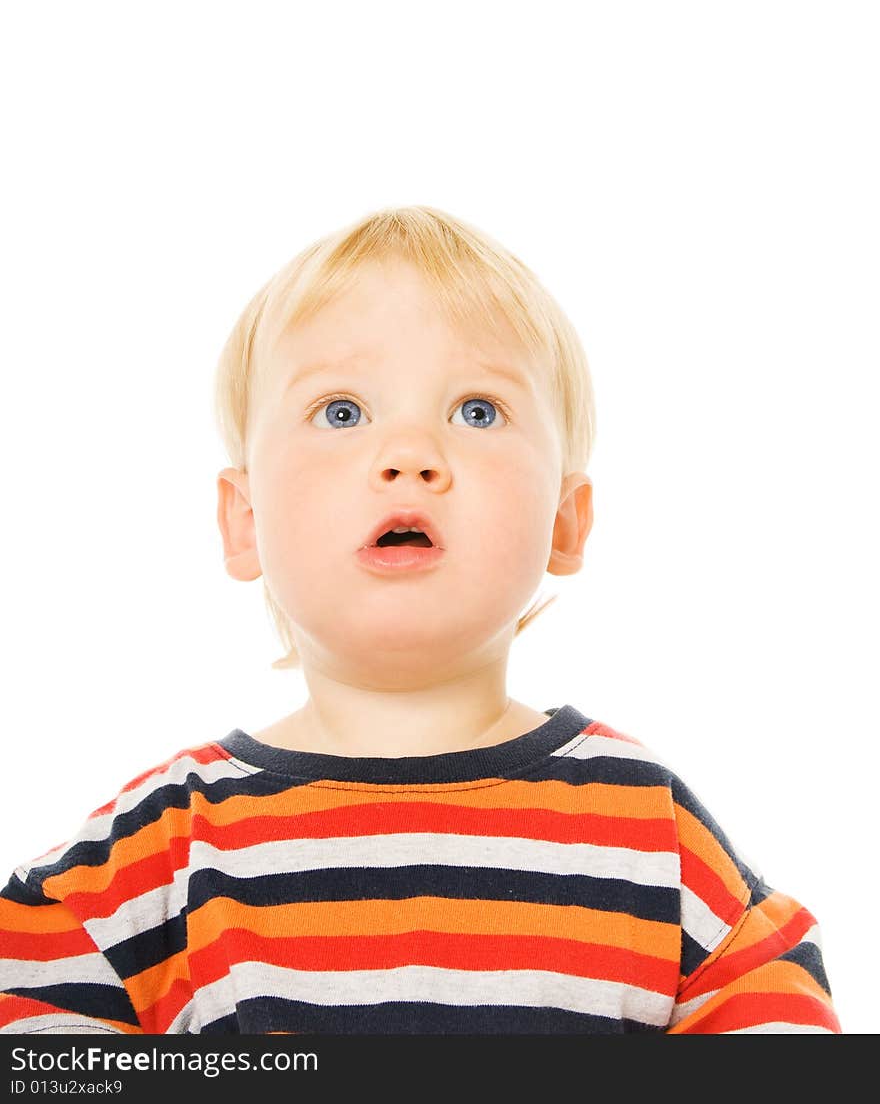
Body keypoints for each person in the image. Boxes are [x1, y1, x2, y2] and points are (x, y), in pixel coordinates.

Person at [0, 206, 840, 1035]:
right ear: (244, 518)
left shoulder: (644, 827)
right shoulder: (170, 842)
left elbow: (772, 995)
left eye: (477, 411)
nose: (408, 454)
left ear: (565, 519)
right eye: (341, 412)